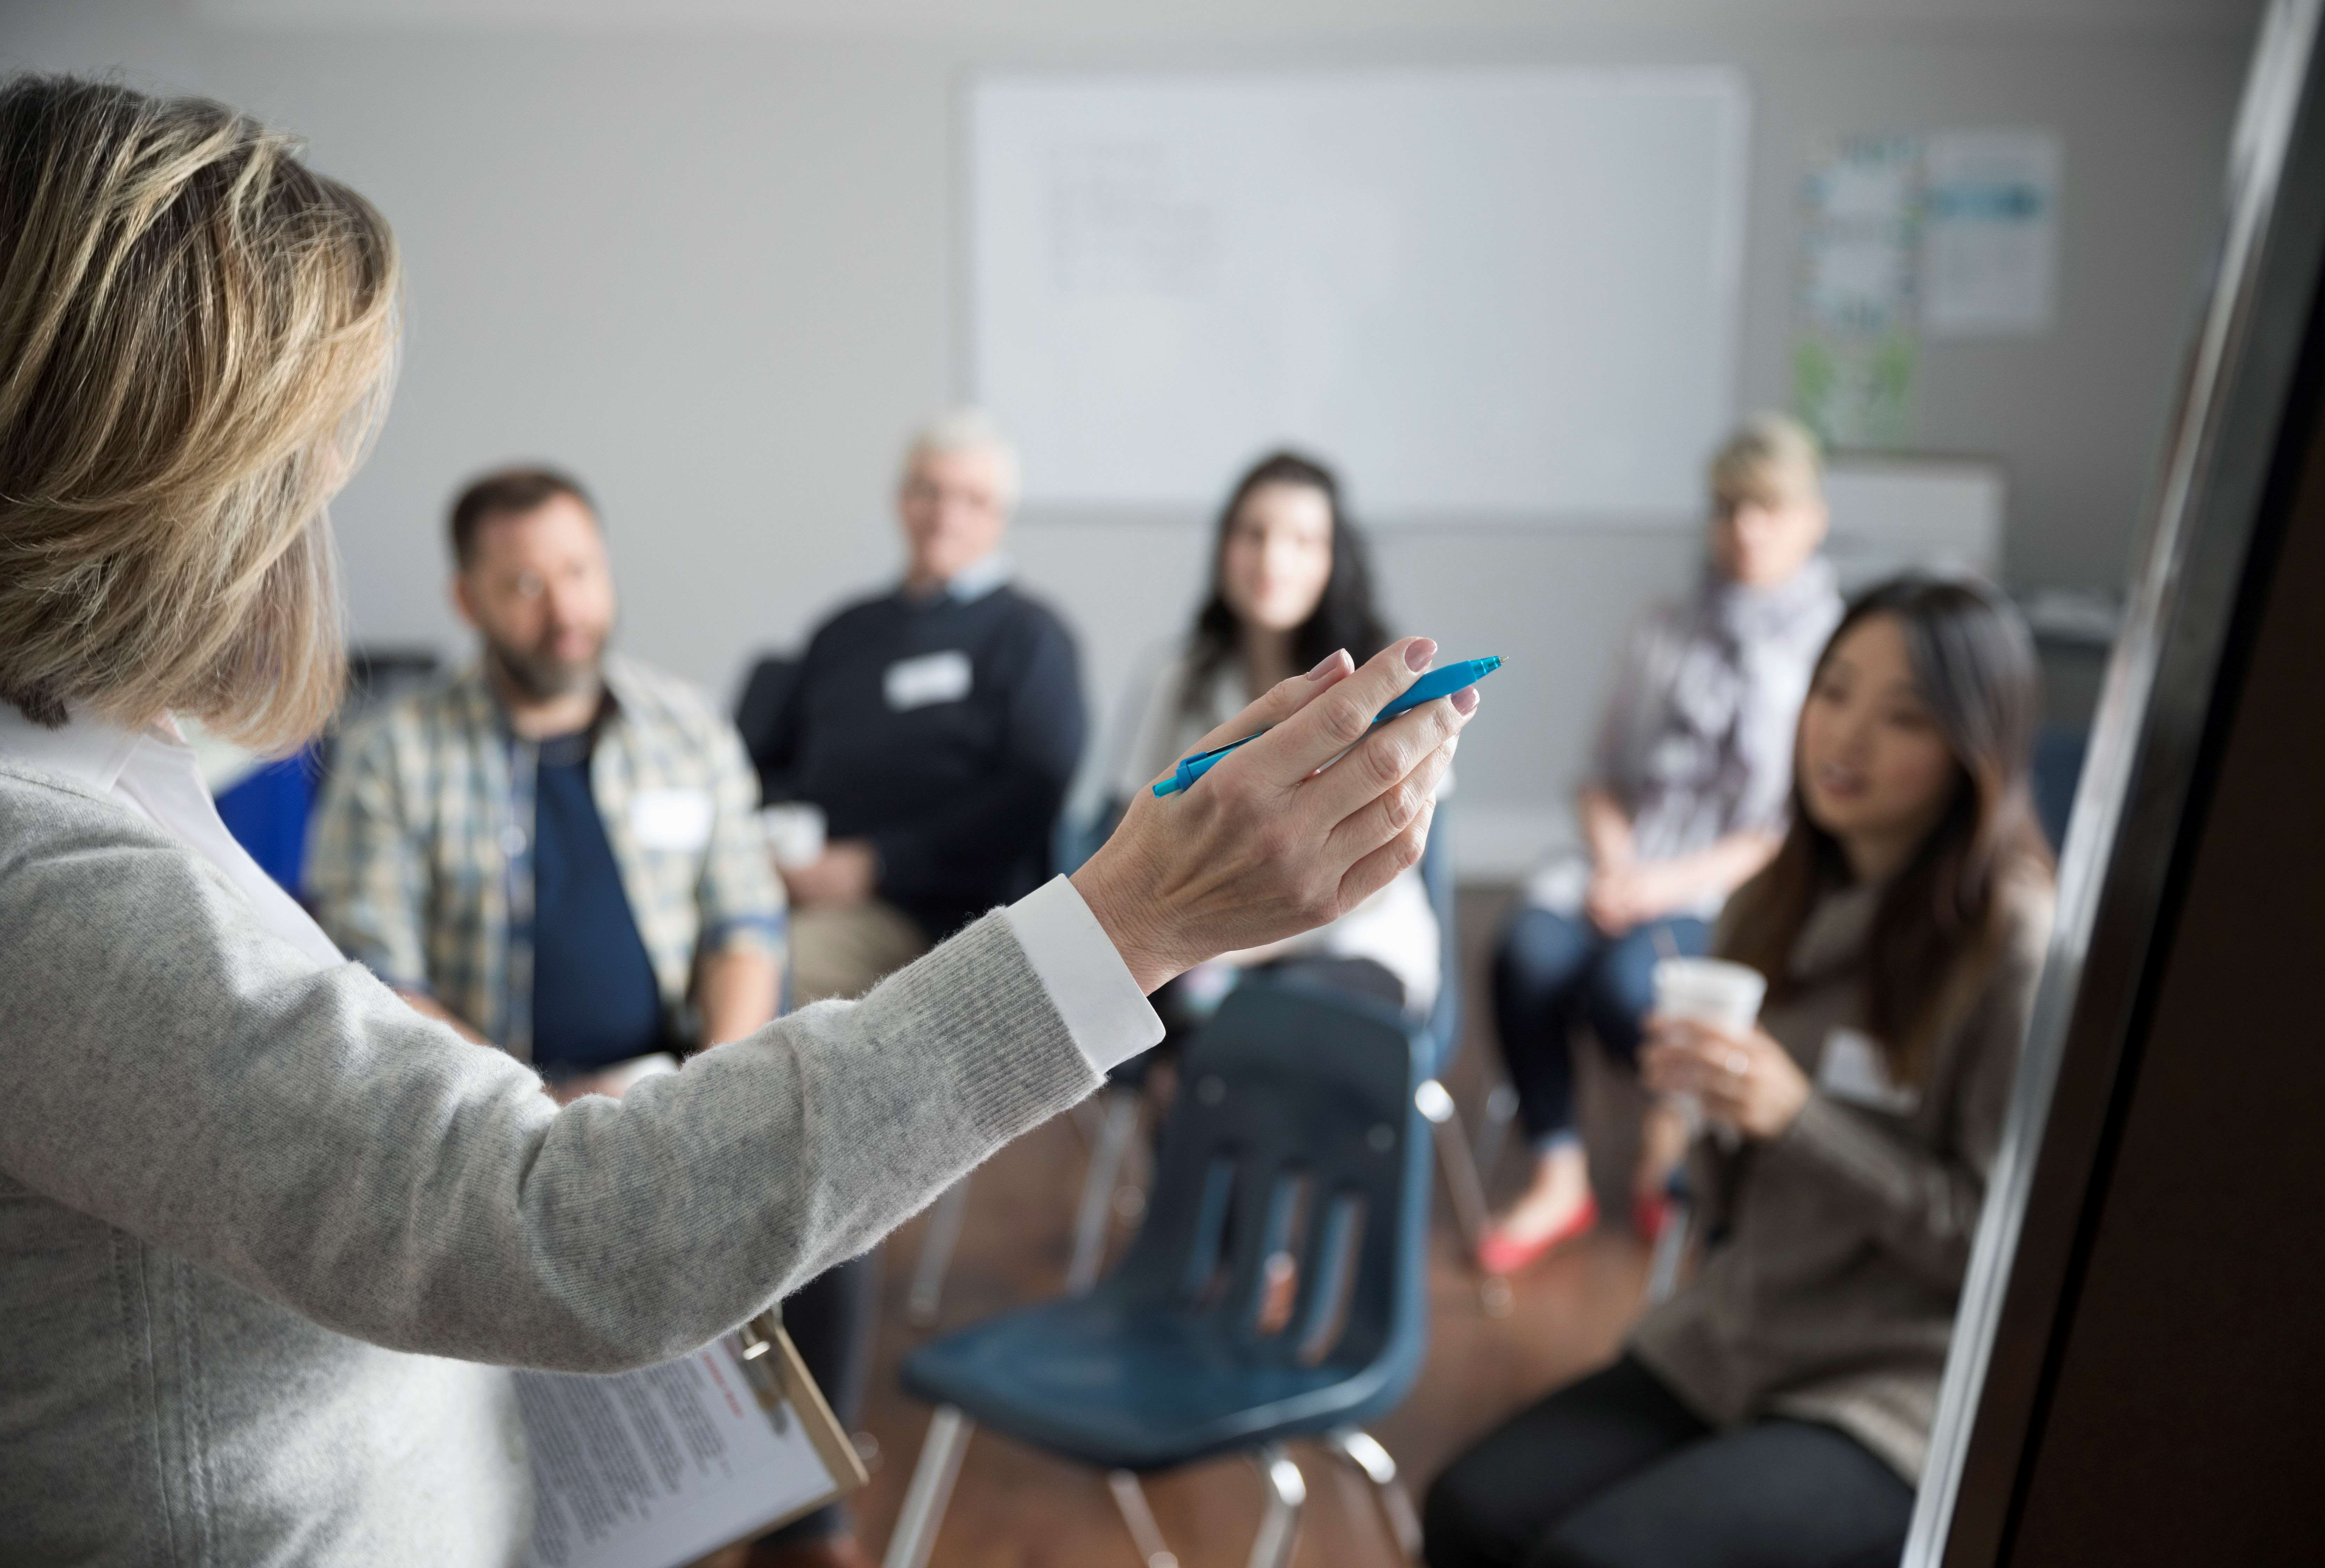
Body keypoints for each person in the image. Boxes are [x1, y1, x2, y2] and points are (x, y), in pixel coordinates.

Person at [0, 75, 1477, 1564]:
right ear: (144, 484)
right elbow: (554, 1223)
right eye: (292, 476)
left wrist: (686, 1070)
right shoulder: (54, 882)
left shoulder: (129, 779)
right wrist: (1133, 919)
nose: (309, 533)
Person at [1423, 575, 2054, 1568]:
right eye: (1833, 692)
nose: (1846, 737)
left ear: (1974, 748)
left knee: (1593, 1560)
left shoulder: (2012, 945)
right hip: (1741, 1336)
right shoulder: (1777, 898)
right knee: (1468, 1511)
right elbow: (1728, 1201)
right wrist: (1695, 1113)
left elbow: (2001, 1253)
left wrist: (1797, 1117)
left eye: (1903, 717)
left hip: (1897, 1383)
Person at [306, 467, 866, 1567]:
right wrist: (543, 1108)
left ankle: (806, 1527)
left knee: (827, 1177)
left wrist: (718, 1088)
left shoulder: (684, 726)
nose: (564, 608)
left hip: (676, 1075)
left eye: (579, 572)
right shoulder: (393, 750)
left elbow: (747, 923)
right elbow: (379, 980)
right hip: (501, 1104)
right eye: (525, 584)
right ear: (467, 600)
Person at [1480, 415, 1843, 1274]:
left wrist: (1663, 887)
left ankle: (1667, 1135)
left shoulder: (1832, 649)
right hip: (1625, 863)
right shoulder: (1664, 628)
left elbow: (1790, 830)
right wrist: (1619, 866)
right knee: (1526, 955)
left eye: (1768, 508)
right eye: (1728, 508)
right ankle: (1559, 1172)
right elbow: (1600, 777)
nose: (1746, 529)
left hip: (1727, 882)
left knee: (1630, 990)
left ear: (1812, 519)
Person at [744, 410, 1085, 1007]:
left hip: (945, 919)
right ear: (901, 500)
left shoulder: (1030, 638)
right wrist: (780, 848)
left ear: (1001, 514)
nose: (945, 515)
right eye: (928, 491)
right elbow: (767, 762)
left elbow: (1030, 795)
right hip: (801, 885)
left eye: (972, 499)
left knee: (760, 971)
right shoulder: (845, 633)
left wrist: (876, 866)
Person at [1103, 450, 1440, 1026]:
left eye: (1303, 541)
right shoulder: (1177, 678)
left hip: (1346, 944)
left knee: (1262, 1022)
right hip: (1200, 938)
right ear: (1223, 547)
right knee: (1173, 1012)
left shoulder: (1385, 683)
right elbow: (1134, 825)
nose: (1272, 560)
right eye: (1253, 535)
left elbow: (1383, 873)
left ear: (1336, 559)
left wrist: (1236, 947)